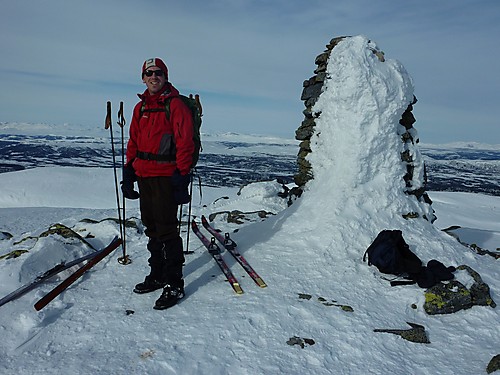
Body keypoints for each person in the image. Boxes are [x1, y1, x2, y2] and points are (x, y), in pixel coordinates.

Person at [121, 57, 194, 310]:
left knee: (167, 230)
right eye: (149, 73)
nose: (154, 77)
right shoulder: (139, 108)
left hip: (165, 177)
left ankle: (175, 282)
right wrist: (128, 172)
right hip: (144, 176)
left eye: (159, 73)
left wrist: (181, 176)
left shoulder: (175, 105)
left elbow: (185, 143)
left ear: (166, 76)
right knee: (151, 227)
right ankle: (157, 274)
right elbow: (133, 141)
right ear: (143, 78)